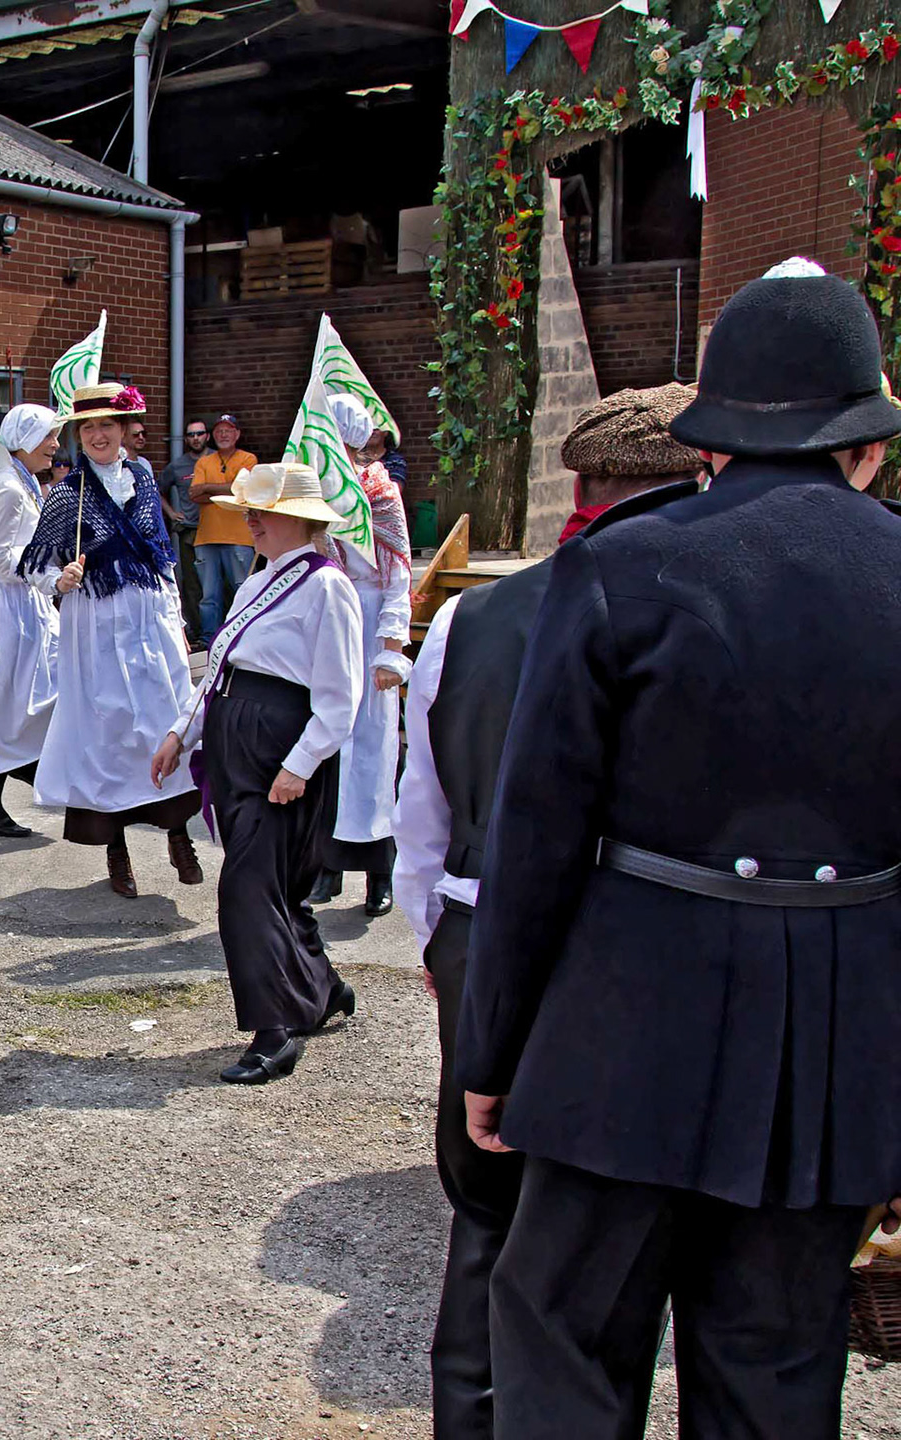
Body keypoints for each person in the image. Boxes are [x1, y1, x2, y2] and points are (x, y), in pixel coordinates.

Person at [458, 269, 901, 1438]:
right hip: (837, 1038)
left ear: (716, 437)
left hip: (628, 1019)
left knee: (565, 1337)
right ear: (862, 438)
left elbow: (537, 836)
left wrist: (492, 1050)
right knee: (777, 1360)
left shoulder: (624, 566)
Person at [390, 383, 701, 1440]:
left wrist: (440, 938)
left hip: (479, 931)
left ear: (582, 488)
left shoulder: (473, 616)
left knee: (489, 1216)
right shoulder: (692, 606)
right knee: (619, 1238)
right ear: (699, 482)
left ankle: (470, 1419)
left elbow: (420, 812)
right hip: (637, 948)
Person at [152, 462, 362, 1085]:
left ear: (299, 518)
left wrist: (299, 765)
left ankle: (275, 1029)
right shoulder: (255, 582)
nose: (250, 521)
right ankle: (321, 989)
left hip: (280, 751)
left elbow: (340, 695)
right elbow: (221, 667)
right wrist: (180, 731)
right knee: (265, 883)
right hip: (234, 738)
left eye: (260, 511)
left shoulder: (328, 586)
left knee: (248, 889)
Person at [21, 382, 203, 899]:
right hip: (97, 622)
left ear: (125, 431)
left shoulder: (143, 477)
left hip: (150, 617)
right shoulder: (67, 493)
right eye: (88, 428)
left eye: (107, 425)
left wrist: (176, 618)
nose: (98, 435)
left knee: (165, 720)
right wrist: (59, 581)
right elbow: (33, 563)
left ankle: (177, 831)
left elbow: (161, 553)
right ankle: (116, 849)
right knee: (108, 730)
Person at [308, 394, 411, 917]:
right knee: (327, 743)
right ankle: (326, 867)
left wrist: (391, 646)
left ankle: (379, 872)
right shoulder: (314, 486)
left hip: (368, 619)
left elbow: (398, 572)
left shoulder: (380, 491)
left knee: (371, 748)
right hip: (329, 617)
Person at [0, 401, 61, 838]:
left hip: (25, 602)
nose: (55, 446)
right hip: (4, 606)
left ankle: (27, 774)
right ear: (24, 439)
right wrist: (43, 565)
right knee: (7, 700)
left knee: (29, 694)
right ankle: (25, 776)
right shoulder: (6, 487)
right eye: (48, 436)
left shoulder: (25, 484)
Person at [188, 413, 260, 639]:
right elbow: (193, 494)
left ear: (237, 434)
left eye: (228, 430)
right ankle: (209, 638)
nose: (223, 434)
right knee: (209, 595)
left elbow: (244, 490)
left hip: (239, 537)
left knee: (244, 589)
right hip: (206, 537)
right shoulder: (203, 462)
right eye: (219, 430)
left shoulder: (249, 459)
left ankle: (244, 634)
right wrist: (229, 489)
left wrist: (208, 488)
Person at [160, 418, 209, 647]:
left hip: (216, 530)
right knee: (192, 584)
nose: (195, 438)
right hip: (190, 531)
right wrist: (171, 513)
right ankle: (197, 631)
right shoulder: (177, 465)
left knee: (217, 584)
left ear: (206, 436)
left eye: (200, 433)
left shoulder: (216, 460)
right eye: (191, 434)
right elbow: (158, 490)